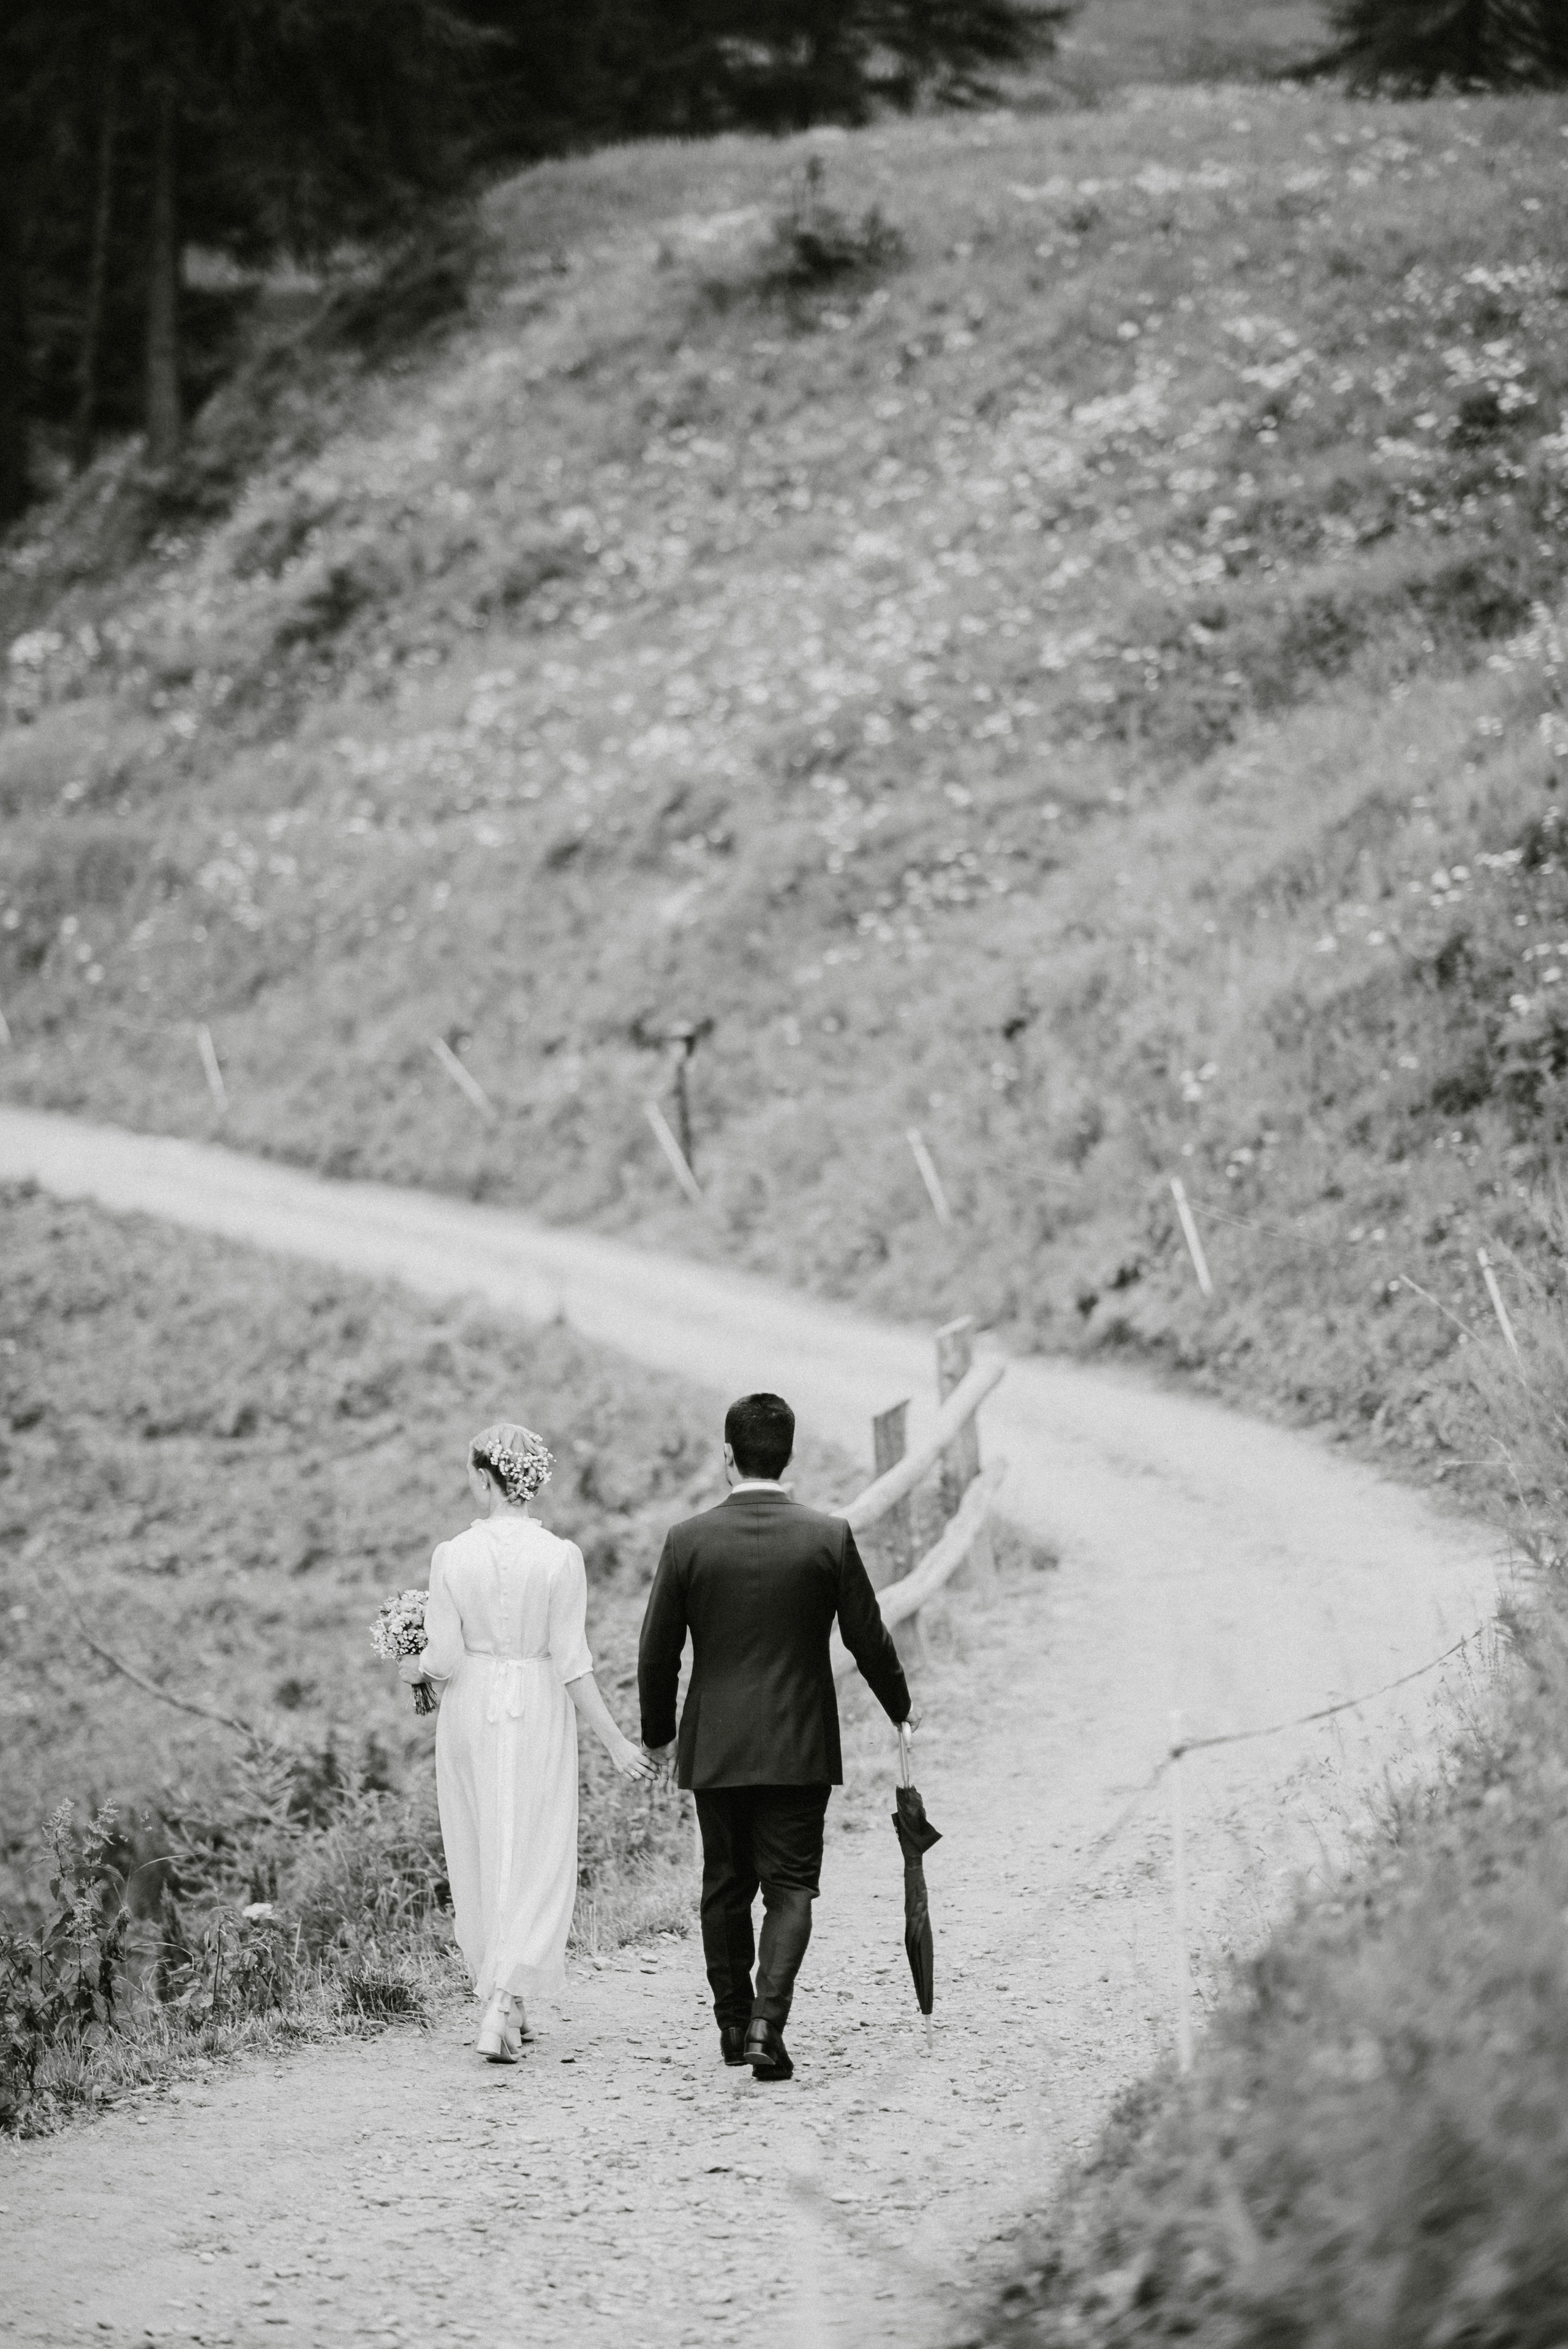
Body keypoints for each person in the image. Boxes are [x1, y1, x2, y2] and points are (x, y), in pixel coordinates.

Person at [638, 1390, 914, 2082]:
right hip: (799, 1744)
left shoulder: (687, 1539)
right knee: (791, 1888)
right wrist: (900, 1708)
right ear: (787, 1455)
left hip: (717, 1745)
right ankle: (768, 2023)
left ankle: (732, 2026)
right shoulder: (826, 1536)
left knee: (725, 1886)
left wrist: (659, 1736)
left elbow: (656, 1651)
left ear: (727, 1456)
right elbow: (867, 1636)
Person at [402, 1421, 650, 2062]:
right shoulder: (561, 1558)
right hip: (537, 1703)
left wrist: (417, 1670)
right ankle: (506, 2001)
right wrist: (617, 1742)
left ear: (485, 1479)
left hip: (471, 1707)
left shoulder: (451, 1555)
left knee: (482, 1842)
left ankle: (501, 1996)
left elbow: (446, 1656)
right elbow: (572, 1662)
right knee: (535, 1846)